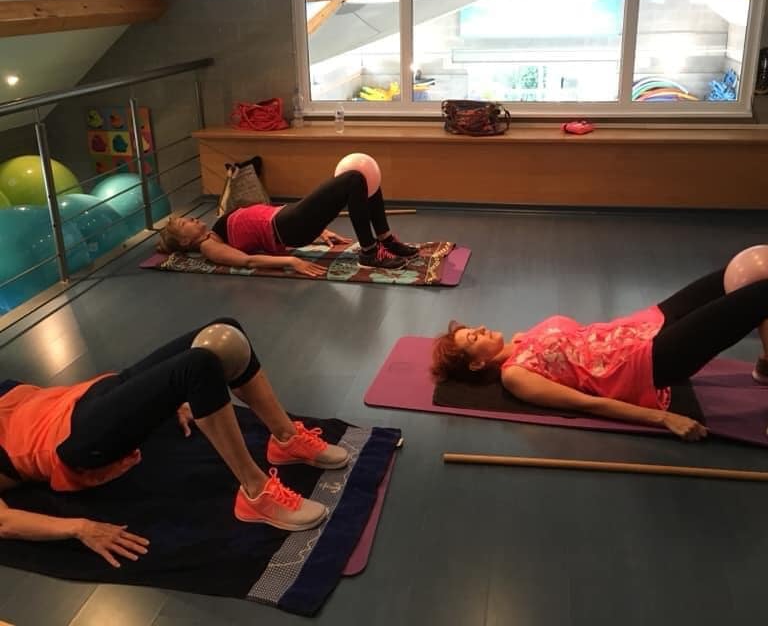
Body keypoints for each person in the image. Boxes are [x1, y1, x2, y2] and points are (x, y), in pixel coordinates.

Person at [0, 318, 349, 568]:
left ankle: (286, 439)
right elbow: (5, 522)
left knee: (223, 333)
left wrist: (159, 400)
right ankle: (256, 494)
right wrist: (80, 528)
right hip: (75, 442)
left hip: (88, 396)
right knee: (196, 368)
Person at [432, 263, 768, 442]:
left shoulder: (521, 339)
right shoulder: (515, 376)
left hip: (645, 324)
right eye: (472, 338)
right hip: (651, 361)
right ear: (477, 363)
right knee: (761, 293)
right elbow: (586, 404)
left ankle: (766, 365)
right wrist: (664, 419)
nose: (480, 329)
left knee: (745, 267)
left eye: (472, 329)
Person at [157, 171, 419, 275]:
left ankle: (385, 240)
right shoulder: (209, 246)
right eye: (184, 223)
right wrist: (292, 261)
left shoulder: (215, 232)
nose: (191, 218)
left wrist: (321, 230)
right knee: (353, 179)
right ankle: (370, 252)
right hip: (289, 226)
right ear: (185, 241)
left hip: (292, 218)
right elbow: (247, 261)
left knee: (366, 178)